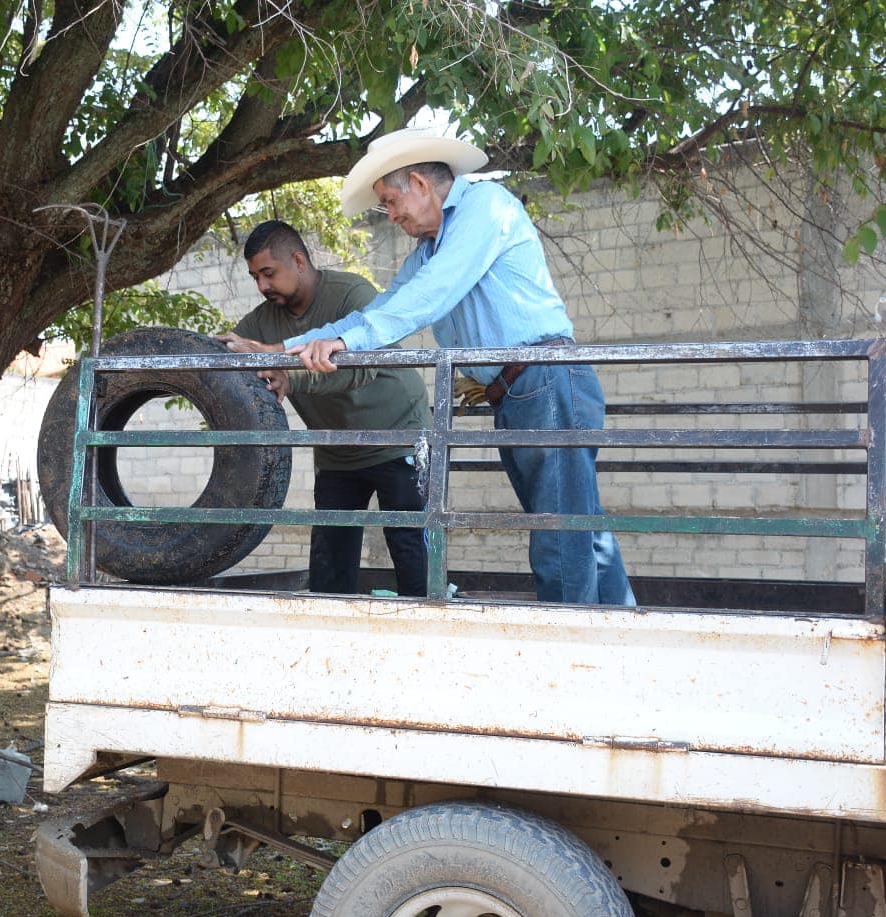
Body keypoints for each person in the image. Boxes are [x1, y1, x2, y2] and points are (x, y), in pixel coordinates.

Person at [282, 128, 635, 606]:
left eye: (390, 200)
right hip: (523, 388)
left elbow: (429, 296)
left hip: (545, 380)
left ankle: (567, 648)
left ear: (420, 185)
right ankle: (617, 636)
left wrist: (344, 341)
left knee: (561, 536)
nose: (390, 214)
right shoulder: (430, 249)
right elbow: (383, 307)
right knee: (579, 530)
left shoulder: (484, 206)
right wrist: (285, 346)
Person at [222, 220, 430, 597]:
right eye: (255, 277)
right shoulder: (263, 320)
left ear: (299, 261)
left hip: (399, 437)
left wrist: (290, 378)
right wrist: (218, 350)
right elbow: (227, 359)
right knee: (330, 568)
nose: (262, 287)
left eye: (269, 274)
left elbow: (359, 371)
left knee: (412, 552)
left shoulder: (352, 292)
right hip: (337, 453)